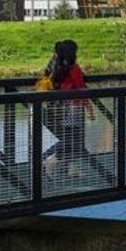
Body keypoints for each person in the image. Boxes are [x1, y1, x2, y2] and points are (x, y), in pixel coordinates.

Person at [45, 39, 90, 178]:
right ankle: (49, 160)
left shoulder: (53, 66)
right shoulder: (73, 68)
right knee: (74, 140)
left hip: (56, 109)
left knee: (69, 139)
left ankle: (71, 168)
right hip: (72, 110)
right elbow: (81, 88)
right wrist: (89, 109)